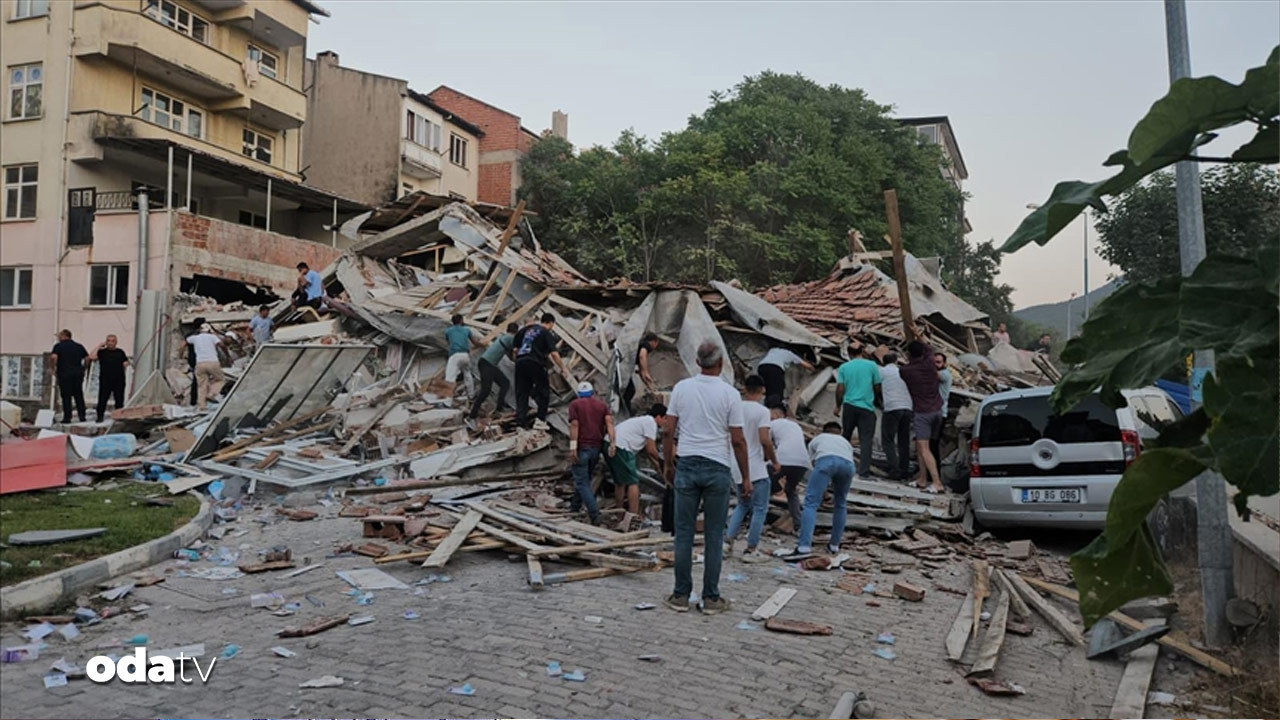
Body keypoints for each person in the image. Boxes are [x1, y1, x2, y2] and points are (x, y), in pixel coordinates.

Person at [662, 341, 750, 615]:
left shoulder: (681, 388)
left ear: (697, 363)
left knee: (684, 533)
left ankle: (680, 595)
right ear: (721, 363)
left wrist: (667, 464)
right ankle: (711, 598)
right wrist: (746, 477)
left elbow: (667, 430)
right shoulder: (730, 394)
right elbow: (737, 440)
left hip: (686, 464)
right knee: (714, 534)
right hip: (717, 467)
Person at [724, 375, 780, 563]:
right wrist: (774, 460)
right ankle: (751, 548)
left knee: (742, 504)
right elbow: (765, 439)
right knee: (760, 508)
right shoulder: (762, 411)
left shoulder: (735, 407)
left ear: (744, 389)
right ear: (762, 390)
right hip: (755, 466)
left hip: (736, 464)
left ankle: (728, 541)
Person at [790, 421, 856, 555]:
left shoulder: (818, 439)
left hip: (826, 461)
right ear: (840, 432)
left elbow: (812, 464)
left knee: (810, 503)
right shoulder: (845, 442)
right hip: (848, 466)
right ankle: (834, 545)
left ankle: (804, 546)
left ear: (824, 431)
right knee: (841, 504)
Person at [567, 381, 616, 525]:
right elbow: (609, 423)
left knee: (582, 482)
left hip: (582, 447)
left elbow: (575, 425)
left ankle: (595, 514)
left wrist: (573, 447)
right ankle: (574, 508)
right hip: (596, 448)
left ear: (579, 394)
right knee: (584, 479)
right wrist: (613, 443)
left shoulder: (575, 405)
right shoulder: (601, 406)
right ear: (593, 392)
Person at [607, 403, 667, 516]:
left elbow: (647, 451)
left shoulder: (643, 421)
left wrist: (657, 466)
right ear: (658, 416)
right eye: (665, 419)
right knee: (633, 482)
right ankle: (633, 516)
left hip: (611, 443)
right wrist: (663, 463)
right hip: (621, 447)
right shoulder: (651, 423)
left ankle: (619, 514)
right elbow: (651, 450)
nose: (665, 423)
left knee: (620, 482)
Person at [901, 340, 945, 493]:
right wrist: (917, 335)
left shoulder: (905, 371)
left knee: (924, 449)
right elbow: (929, 350)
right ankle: (922, 479)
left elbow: (919, 355)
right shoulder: (930, 364)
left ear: (908, 355)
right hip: (937, 410)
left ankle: (937, 482)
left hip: (922, 413)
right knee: (921, 446)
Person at [513, 313, 568, 429]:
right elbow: (554, 354)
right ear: (551, 323)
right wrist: (563, 368)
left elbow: (515, 351)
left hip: (520, 362)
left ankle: (520, 423)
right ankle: (540, 420)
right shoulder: (546, 333)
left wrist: (519, 361)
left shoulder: (523, 331)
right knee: (544, 391)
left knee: (522, 392)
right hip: (535, 363)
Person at [833, 344, 881, 478]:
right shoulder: (872, 366)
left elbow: (840, 388)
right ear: (862, 351)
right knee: (866, 440)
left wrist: (838, 405)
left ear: (848, 353)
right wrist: (876, 398)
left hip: (849, 406)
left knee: (845, 437)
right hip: (866, 407)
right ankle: (863, 472)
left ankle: (840, 466)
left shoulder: (844, 367)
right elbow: (877, 386)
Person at [767, 401, 809, 533]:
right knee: (791, 490)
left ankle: (756, 518)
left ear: (775, 414)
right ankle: (798, 524)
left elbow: (766, 445)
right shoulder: (796, 426)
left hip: (783, 458)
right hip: (802, 462)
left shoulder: (772, 424)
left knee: (764, 484)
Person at [468, 322, 517, 425]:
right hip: (487, 364)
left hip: (489, 364)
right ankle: (471, 416)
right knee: (485, 391)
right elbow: (518, 348)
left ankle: (499, 408)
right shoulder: (509, 338)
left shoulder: (504, 337)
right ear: (515, 332)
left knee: (505, 383)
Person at [879, 352, 914, 482]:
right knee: (903, 441)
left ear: (884, 362)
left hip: (892, 407)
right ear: (896, 361)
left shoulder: (882, 371)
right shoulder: (902, 372)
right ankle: (904, 470)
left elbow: (876, 385)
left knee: (888, 440)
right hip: (907, 407)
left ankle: (895, 470)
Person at [50, 330, 88, 423]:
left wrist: (52, 368)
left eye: (59, 336)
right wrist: (84, 368)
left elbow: (53, 357)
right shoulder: (79, 346)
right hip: (77, 374)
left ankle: (67, 418)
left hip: (64, 374)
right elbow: (87, 358)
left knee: (66, 396)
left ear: (64, 336)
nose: (58, 338)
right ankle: (82, 416)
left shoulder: (58, 346)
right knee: (78, 395)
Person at [90, 335, 129, 422]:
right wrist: (99, 346)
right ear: (106, 342)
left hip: (118, 380)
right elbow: (92, 356)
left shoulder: (120, 352)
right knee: (102, 400)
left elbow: (126, 363)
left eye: (113, 341)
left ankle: (119, 417)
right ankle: (100, 417)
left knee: (119, 400)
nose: (111, 343)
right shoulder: (102, 352)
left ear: (116, 342)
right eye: (109, 341)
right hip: (105, 380)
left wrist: (127, 365)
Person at [185, 323, 224, 411]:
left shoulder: (195, 338)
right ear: (209, 330)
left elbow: (185, 342)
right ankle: (211, 394)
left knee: (201, 385)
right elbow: (222, 345)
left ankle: (202, 407)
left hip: (200, 363)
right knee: (221, 380)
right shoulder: (212, 337)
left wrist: (180, 355)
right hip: (212, 362)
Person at [444, 314, 484, 399]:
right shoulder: (466, 330)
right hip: (465, 355)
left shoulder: (448, 331)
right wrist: (482, 344)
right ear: (461, 320)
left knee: (449, 377)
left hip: (455, 355)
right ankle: (471, 395)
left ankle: (447, 400)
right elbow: (475, 342)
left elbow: (448, 342)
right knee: (467, 374)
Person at [622, 333, 660, 413]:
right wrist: (646, 372)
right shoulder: (645, 345)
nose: (655, 347)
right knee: (629, 391)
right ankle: (625, 411)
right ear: (653, 342)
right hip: (623, 367)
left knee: (628, 391)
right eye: (656, 344)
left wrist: (649, 385)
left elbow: (641, 371)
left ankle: (626, 410)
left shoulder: (639, 347)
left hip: (624, 368)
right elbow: (642, 356)